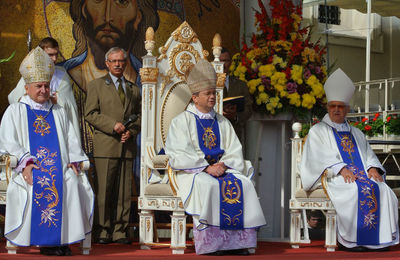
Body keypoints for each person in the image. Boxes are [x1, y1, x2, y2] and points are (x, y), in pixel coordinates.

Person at [164, 60, 266, 255]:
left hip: (222, 169)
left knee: (243, 184)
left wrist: (224, 164)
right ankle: (212, 244)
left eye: (213, 93)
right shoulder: (181, 121)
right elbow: (179, 153)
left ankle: (238, 243)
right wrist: (206, 167)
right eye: (208, 94)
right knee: (209, 185)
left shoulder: (221, 121)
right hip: (192, 172)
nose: (213, 97)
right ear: (195, 97)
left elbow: (234, 149)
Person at [0, 46, 94, 256]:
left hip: (59, 166)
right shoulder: (15, 110)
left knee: (71, 180)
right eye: (38, 86)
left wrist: (75, 160)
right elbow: (7, 141)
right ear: (26, 88)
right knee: (37, 183)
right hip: (27, 168)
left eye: (46, 85)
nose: (43, 90)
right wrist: (25, 163)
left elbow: (70, 138)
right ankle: (46, 242)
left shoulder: (58, 111)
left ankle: (62, 239)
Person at [300, 68, 399, 251]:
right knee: (352, 189)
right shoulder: (318, 131)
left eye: (341, 106)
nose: (337, 110)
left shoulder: (357, 132)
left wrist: (372, 168)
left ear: (347, 109)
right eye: (333, 106)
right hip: (333, 176)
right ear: (328, 107)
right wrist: (340, 168)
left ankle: (379, 239)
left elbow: (368, 154)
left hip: (359, 174)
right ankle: (352, 241)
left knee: (383, 189)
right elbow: (317, 157)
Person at [85, 47, 141, 244]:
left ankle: (120, 231)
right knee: (104, 192)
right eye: (114, 61)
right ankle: (102, 230)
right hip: (105, 147)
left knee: (124, 193)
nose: (118, 64)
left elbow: (141, 116)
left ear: (126, 63)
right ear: (107, 63)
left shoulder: (134, 88)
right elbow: (90, 113)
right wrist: (113, 125)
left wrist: (130, 131)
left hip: (126, 147)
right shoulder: (96, 85)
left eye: (121, 61)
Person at [62, 0, 159, 91]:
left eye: (122, 1)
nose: (107, 17)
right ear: (83, 9)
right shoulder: (58, 76)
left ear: (139, 16)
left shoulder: (155, 83)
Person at [8, 37, 80, 141]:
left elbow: (70, 104)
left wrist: (54, 99)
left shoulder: (62, 74)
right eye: (50, 55)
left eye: (56, 54)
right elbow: (15, 98)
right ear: (41, 53)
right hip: (33, 122)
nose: (54, 59)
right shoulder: (31, 72)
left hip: (57, 122)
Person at [220, 47, 252, 144]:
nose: (223, 65)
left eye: (225, 61)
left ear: (230, 63)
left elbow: (249, 108)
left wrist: (235, 116)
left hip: (234, 134)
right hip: (214, 133)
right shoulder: (208, 84)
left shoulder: (240, 85)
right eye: (220, 61)